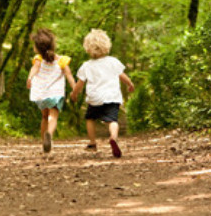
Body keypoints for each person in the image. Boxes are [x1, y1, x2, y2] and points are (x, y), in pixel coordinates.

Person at [70, 29, 134, 158]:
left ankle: (93, 143)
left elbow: (80, 83)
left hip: (95, 98)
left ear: (87, 48)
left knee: (90, 118)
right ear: (106, 46)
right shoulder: (113, 61)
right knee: (112, 120)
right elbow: (122, 76)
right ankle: (114, 137)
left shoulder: (86, 66)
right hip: (112, 97)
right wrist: (130, 84)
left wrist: (74, 93)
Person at [27, 28, 76, 153]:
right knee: (53, 117)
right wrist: (75, 89)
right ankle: (49, 133)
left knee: (44, 117)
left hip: (41, 93)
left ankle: (44, 141)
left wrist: (30, 77)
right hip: (55, 94)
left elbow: (34, 69)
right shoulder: (61, 61)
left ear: (38, 48)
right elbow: (69, 75)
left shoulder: (38, 59)